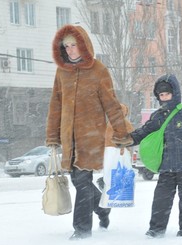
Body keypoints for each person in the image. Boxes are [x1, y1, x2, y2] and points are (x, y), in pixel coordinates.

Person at [46, 24, 133, 240]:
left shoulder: (98, 70)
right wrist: (52, 137)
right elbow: (55, 105)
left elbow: (111, 104)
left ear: (84, 44)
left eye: (74, 45)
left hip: (90, 137)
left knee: (83, 183)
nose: (70, 50)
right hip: (69, 139)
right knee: (79, 181)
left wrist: (121, 133)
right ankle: (102, 209)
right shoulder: (62, 72)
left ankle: (82, 230)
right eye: (66, 46)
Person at [130, 74, 182, 238]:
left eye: (167, 94)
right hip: (166, 166)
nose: (164, 98)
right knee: (161, 199)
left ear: (175, 93)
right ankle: (156, 228)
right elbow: (144, 131)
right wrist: (128, 139)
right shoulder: (158, 116)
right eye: (161, 95)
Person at [97, 103, 134, 191]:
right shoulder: (124, 123)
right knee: (116, 172)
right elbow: (132, 137)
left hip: (111, 150)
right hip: (117, 150)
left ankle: (109, 191)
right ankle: (116, 192)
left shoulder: (109, 123)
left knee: (110, 172)